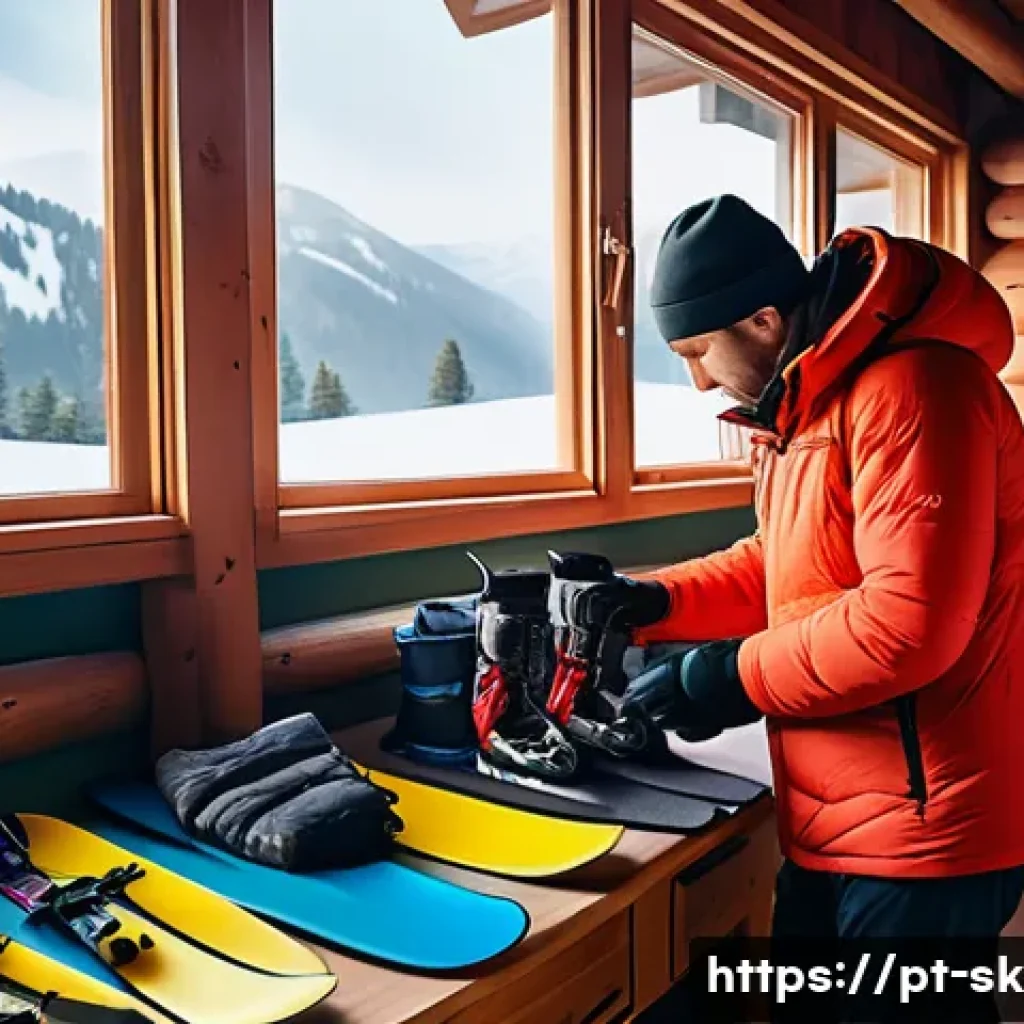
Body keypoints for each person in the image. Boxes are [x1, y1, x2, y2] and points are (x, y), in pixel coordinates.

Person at [581, 195, 1024, 1019]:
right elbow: (785, 566)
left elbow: (906, 623)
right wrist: (655, 600)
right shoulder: (803, 410)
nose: (698, 379)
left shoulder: (914, 389)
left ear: (761, 318)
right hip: (843, 807)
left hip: (925, 823)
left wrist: (722, 678)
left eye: (698, 351)